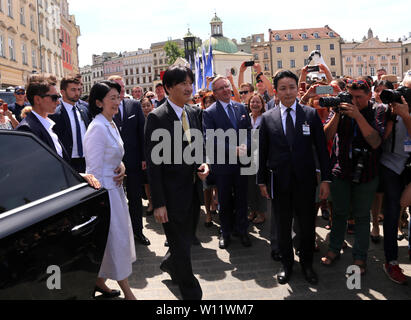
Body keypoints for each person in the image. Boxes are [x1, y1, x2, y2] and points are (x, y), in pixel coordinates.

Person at [257, 70, 331, 285]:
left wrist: (325, 179)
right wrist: (261, 181)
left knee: (307, 226)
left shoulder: (310, 114)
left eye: (291, 87)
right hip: (279, 183)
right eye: (283, 88)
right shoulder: (267, 117)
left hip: (306, 182)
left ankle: (307, 264)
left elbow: (321, 150)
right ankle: (287, 264)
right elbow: (261, 152)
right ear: (276, 92)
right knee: (282, 226)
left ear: (297, 89)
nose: (288, 92)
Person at [144, 65, 209, 300]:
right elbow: (154, 165)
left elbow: (197, 147)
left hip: (192, 190)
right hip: (170, 196)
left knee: (186, 238)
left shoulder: (193, 112)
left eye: (190, 82)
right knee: (181, 246)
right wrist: (158, 203)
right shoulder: (156, 117)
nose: (188, 87)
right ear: (168, 88)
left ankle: (170, 264)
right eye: (182, 83)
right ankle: (191, 292)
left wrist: (203, 165)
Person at [321, 77, 385, 276]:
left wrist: (358, 116)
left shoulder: (378, 111)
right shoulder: (340, 108)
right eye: (352, 97)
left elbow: (375, 141)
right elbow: (326, 136)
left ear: (369, 95)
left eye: (359, 97)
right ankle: (334, 248)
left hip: (367, 173)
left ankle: (360, 256)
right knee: (339, 213)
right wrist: (338, 115)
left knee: (362, 216)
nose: (354, 101)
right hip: (342, 170)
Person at [85, 80, 136, 300]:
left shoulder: (111, 123)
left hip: (116, 191)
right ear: (98, 102)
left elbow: (117, 156)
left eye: (118, 97)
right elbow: (93, 171)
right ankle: (127, 291)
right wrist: (101, 200)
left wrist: (122, 167)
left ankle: (99, 281)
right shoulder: (97, 128)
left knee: (116, 239)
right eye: (112, 98)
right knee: (115, 241)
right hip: (105, 194)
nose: (117, 102)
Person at [15, 74, 101, 190]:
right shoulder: (28, 129)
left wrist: (77, 175)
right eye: (54, 98)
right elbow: (37, 172)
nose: (58, 102)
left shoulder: (47, 125)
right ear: (38, 99)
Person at [203, 75, 252, 249]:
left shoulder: (241, 107)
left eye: (227, 86)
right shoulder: (209, 113)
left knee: (241, 199)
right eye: (221, 88)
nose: (226, 90)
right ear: (215, 93)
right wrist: (233, 150)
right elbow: (210, 138)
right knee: (224, 200)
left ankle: (242, 231)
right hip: (222, 165)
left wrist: (246, 145)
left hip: (241, 164)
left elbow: (248, 130)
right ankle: (225, 233)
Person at [108, 75, 150, 246]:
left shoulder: (133, 105)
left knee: (135, 198)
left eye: (123, 87)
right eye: (117, 87)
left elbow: (142, 133)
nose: (121, 90)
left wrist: (144, 157)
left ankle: (138, 232)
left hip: (133, 162)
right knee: (116, 201)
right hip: (112, 164)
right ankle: (118, 236)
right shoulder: (106, 108)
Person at [49, 76, 91, 173]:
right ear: (63, 92)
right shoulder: (54, 114)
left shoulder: (85, 109)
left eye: (79, 89)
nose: (77, 93)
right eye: (73, 90)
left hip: (87, 161)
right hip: (67, 163)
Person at [247, 93, 267, 224]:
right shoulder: (245, 118)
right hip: (247, 157)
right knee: (249, 186)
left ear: (262, 104)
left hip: (261, 157)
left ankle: (261, 213)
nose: (255, 104)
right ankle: (252, 210)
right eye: (252, 102)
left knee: (260, 184)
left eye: (257, 102)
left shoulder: (266, 118)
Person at [140, 97, 155, 215]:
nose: (146, 108)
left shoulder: (157, 118)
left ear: (152, 106)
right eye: (143, 106)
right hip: (145, 156)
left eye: (148, 105)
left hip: (158, 155)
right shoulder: (140, 121)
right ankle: (151, 203)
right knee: (147, 182)